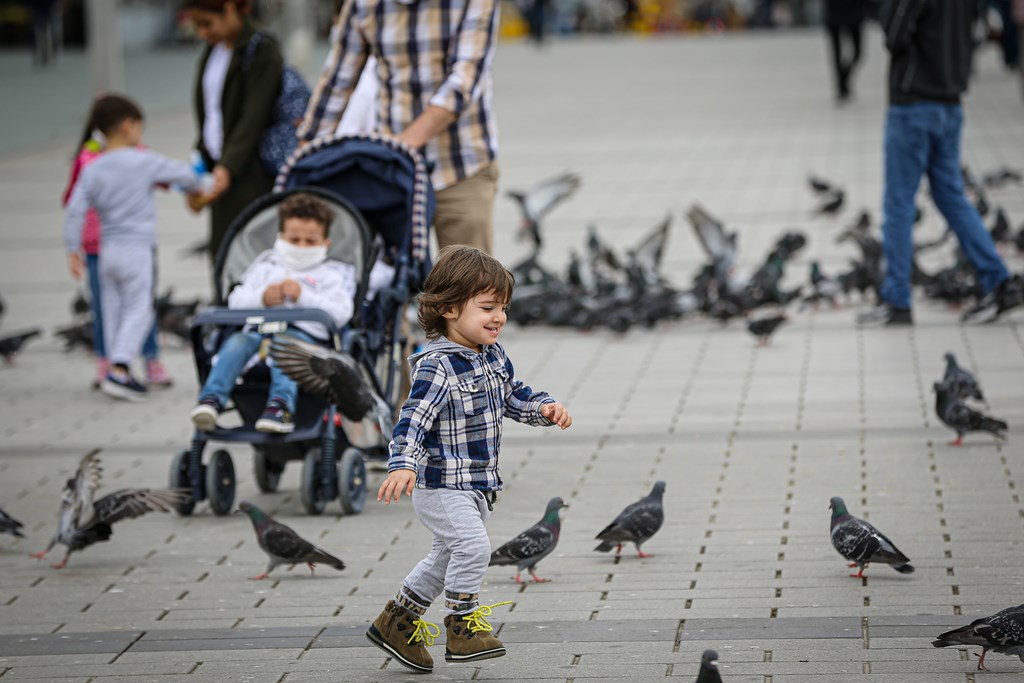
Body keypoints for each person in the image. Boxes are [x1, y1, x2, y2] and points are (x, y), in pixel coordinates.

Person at [368, 246, 572, 674]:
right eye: (487, 307)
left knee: (444, 559)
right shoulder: (436, 366)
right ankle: (462, 625)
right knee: (473, 547)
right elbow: (413, 419)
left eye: (503, 308)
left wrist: (545, 408)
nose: (498, 317)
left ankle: (396, 623)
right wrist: (402, 463)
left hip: (478, 485)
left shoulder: (492, 354)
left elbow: (514, 396)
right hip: (441, 485)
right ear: (446, 309)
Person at [858, 0, 1023, 326]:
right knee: (951, 196)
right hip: (950, 101)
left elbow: (893, 35)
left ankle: (897, 298)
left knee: (899, 203)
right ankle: (998, 279)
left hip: (914, 105)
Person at [299, 0, 501, 255]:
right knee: (389, 276)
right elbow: (338, 79)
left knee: (468, 281)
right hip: (392, 172)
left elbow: (463, 82)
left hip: (460, 163)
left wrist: (402, 146)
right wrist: (305, 152)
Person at [63, 95, 204, 400]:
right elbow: (186, 177)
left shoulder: (93, 167)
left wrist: (72, 249)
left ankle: (115, 372)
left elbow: (74, 208)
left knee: (111, 311)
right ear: (128, 126)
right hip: (137, 248)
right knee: (138, 309)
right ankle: (121, 368)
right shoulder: (144, 160)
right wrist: (206, 183)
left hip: (106, 250)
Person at [189, 193, 358, 434]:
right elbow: (235, 301)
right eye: (294, 239)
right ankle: (211, 399)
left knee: (284, 346)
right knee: (236, 341)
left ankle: (280, 406)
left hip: (303, 341)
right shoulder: (266, 267)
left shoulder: (331, 275)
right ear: (280, 238)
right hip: (258, 334)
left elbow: (342, 313)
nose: (301, 247)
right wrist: (261, 298)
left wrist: (304, 297)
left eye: (310, 241)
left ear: (326, 243)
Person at [186, 0, 283, 262]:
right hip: (219, 167)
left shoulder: (261, 48)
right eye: (197, 25)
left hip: (250, 170)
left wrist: (228, 167)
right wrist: (199, 167)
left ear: (230, 8)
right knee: (222, 252)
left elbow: (254, 116)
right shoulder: (214, 49)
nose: (202, 33)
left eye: (207, 23)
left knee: (249, 254)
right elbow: (211, 114)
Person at [823, 0, 865, 102]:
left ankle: (844, 79)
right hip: (834, 14)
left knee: (858, 52)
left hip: (854, 13)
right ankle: (841, 86)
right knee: (837, 53)